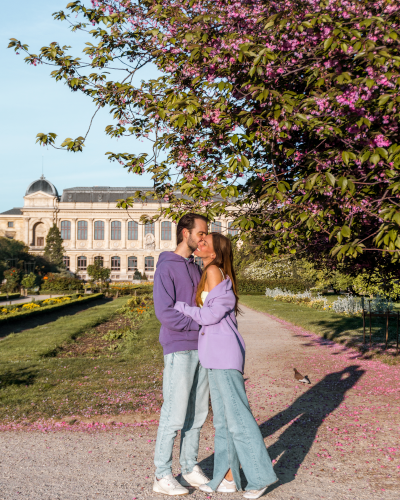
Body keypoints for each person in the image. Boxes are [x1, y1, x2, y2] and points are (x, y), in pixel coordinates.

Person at [174, 233, 278, 499]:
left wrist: (182, 307)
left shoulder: (213, 271)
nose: (200, 243)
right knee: (223, 422)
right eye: (201, 240)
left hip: (223, 355)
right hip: (214, 355)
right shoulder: (209, 270)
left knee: (238, 420)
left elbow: (211, 315)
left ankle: (259, 477)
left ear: (215, 253)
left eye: (206, 242)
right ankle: (226, 478)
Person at [153, 213, 211, 496]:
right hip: (179, 347)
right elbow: (164, 312)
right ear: (184, 233)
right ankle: (162, 474)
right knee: (174, 414)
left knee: (198, 413)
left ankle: (188, 467)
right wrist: (199, 321)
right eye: (201, 233)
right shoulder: (167, 266)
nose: (204, 237)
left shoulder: (196, 267)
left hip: (202, 347)